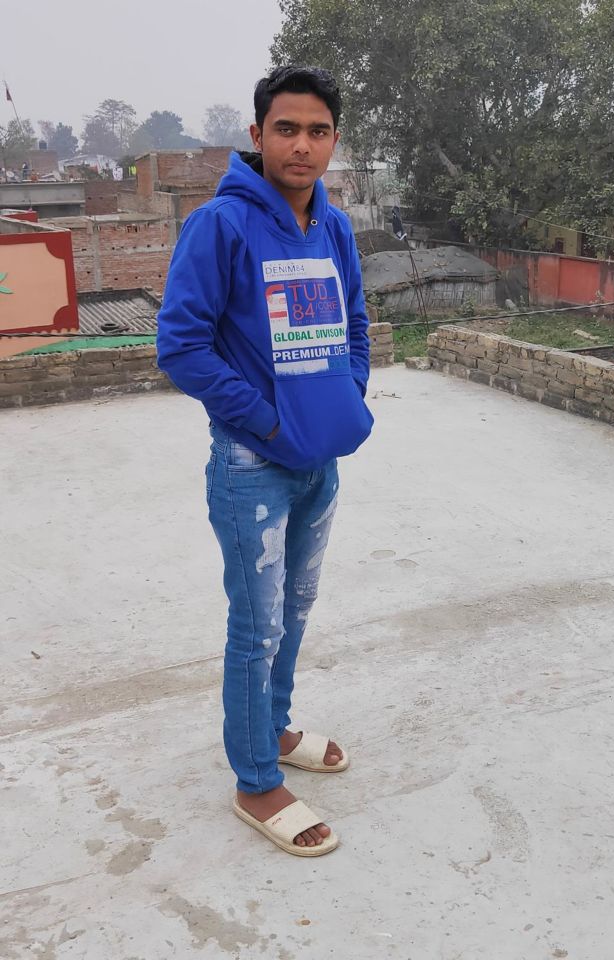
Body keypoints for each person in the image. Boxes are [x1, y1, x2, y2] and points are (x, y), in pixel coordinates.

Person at [156, 65, 373, 857]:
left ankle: (273, 727)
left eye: (318, 131)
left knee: (297, 608)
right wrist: (267, 421)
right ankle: (255, 780)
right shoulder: (220, 225)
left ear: (334, 140)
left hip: (322, 458)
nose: (302, 145)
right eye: (287, 129)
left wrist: (348, 396)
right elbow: (181, 347)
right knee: (256, 626)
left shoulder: (335, 229)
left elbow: (356, 325)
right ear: (257, 135)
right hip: (253, 465)